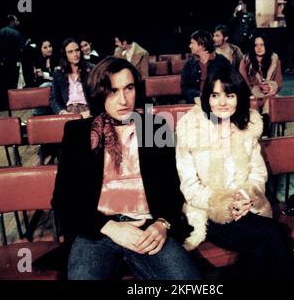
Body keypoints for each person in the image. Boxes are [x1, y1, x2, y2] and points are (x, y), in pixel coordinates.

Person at [51, 56, 202, 280]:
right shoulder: (79, 132)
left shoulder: (154, 128)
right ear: (99, 93)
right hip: (97, 230)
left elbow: (171, 188)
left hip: (147, 227)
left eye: (128, 88)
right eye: (112, 91)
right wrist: (111, 228)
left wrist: (162, 223)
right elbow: (63, 201)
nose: (123, 100)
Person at [176, 67, 294, 281]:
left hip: (246, 207)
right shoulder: (190, 128)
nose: (222, 102)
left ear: (239, 97)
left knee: (266, 244)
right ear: (207, 97)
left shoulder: (248, 125)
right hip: (208, 210)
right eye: (215, 95)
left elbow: (258, 173)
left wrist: (245, 198)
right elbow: (189, 186)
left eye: (230, 95)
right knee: (273, 235)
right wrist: (223, 202)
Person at [239, 34, 282, 136]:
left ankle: (266, 131)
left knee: (271, 100)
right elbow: (242, 80)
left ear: (266, 46)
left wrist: (270, 88)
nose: (259, 48)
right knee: (252, 102)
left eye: (262, 45)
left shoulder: (275, 60)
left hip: (269, 94)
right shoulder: (246, 60)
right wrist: (253, 91)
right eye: (256, 45)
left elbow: (279, 82)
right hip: (251, 93)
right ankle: (255, 132)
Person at [181, 30, 231, 104]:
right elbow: (184, 87)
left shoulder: (222, 62)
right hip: (195, 102)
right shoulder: (189, 64)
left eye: (192, 43)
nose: (190, 46)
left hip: (218, 102)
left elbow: (230, 84)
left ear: (202, 45)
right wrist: (198, 96)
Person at [49, 38, 93, 118]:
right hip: (67, 111)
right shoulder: (59, 73)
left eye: (77, 50)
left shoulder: (91, 69)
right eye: (70, 52)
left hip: (87, 110)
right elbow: (54, 99)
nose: (75, 54)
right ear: (65, 55)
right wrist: (62, 113)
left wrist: (91, 111)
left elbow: (99, 95)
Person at [0, 14, 26, 110]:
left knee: (2, 84)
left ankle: (1, 105)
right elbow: (21, 49)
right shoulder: (16, 33)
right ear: (12, 21)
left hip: (1, 63)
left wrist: (0, 59)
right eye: (16, 20)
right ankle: (12, 104)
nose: (17, 22)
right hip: (13, 63)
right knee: (12, 85)